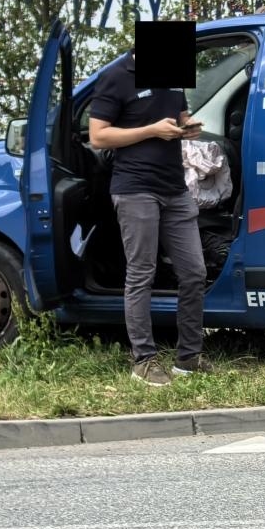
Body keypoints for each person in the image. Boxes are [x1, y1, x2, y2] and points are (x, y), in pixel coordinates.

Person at [88, 51, 210, 385]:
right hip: (135, 188)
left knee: (194, 272)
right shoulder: (115, 76)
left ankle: (188, 358)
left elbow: (180, 116)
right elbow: (98, 136)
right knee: (142, 273)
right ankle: (143, 360)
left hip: (175, 187)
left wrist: (188, 127)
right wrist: (151, 131)